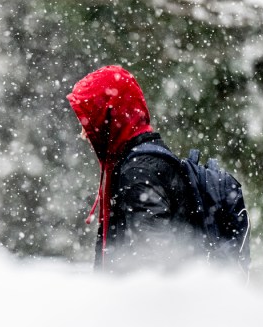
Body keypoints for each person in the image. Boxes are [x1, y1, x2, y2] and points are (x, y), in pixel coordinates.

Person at [67, 65, 196, 273]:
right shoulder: (143, 161)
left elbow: (155, 264)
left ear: (110, 118)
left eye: (90, 121)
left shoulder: (139, 173)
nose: (83, 133)